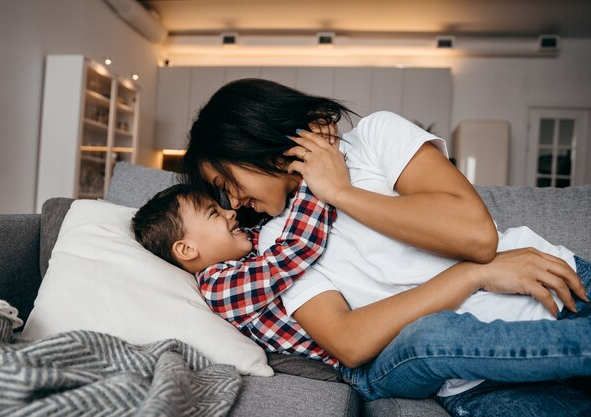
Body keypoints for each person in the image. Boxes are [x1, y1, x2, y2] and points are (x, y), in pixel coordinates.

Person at [176, 78, 591, 416]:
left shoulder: (375, 137)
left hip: (558, 284)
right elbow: (349, 342)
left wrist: (341, 190)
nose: (231, 203)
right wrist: (472, 274)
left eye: (224, 184)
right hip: (476, 379)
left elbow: (476, 236)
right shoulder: (277, 241)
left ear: (251, 140)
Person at [132, 174, 591, 414]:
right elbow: (298, 248)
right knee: (436, 336)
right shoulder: (223, 284)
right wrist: (320, 185)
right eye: (214, 213)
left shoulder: (242, 262)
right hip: (368, 369)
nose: (232, 212)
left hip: (383, 350)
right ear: (187, 249)